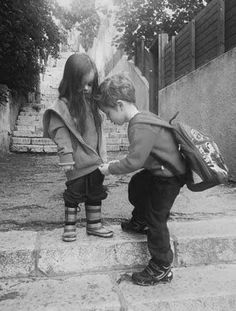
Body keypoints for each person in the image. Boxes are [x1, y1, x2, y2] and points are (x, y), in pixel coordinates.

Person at [97, 74, 187, 286]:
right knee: (138, 185)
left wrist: (109, 169)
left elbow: (134, 161)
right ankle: (140, 220)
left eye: (108, 113)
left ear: (119, 105)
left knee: (157, 219)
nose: (109, 119)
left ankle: (161, 266)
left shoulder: (139, 125)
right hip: (161, 171)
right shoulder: (143, 117)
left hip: (169, 178)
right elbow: (143, 155)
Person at [43, 53, 113, 242]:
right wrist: (66, 157)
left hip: (95, 161)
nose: (87, 88)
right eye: (83, 84)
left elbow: (99, 133)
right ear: (71, 80)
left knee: (95, 194)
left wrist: (103, 156)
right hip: (76, 162)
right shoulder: (62, 106)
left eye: (91, 84)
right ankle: (69, 227)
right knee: (73, 195)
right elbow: (60, 133)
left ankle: (94, 224)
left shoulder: (91, 103)